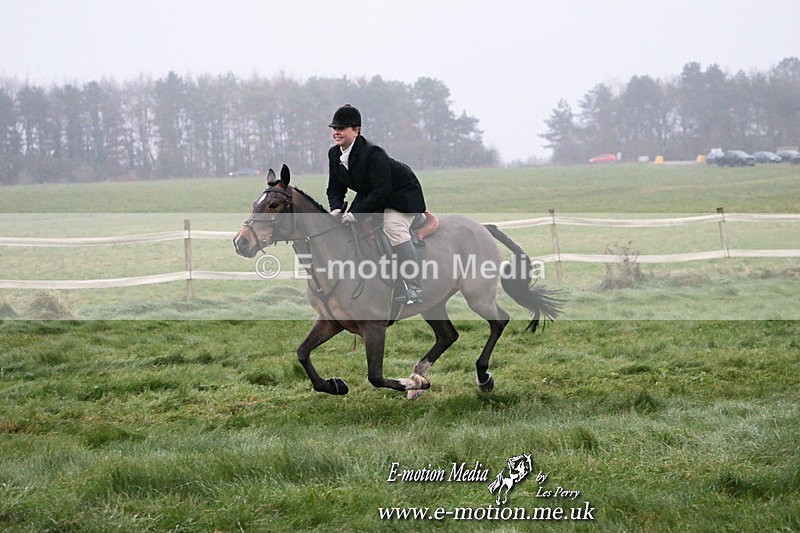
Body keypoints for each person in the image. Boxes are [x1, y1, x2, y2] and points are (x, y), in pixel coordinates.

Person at [326, 104, 426, 305]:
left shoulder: (373, 153)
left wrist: (356, 214)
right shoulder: (334, 154)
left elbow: (382, 192)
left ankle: (413, 287)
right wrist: (336, 210)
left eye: (342, 128)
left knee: (393, 227)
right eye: (334, 128)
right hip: (371, 193)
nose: (336, 132)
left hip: (401, 195)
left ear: (356, 130)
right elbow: (334, 188)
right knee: (348, 229)